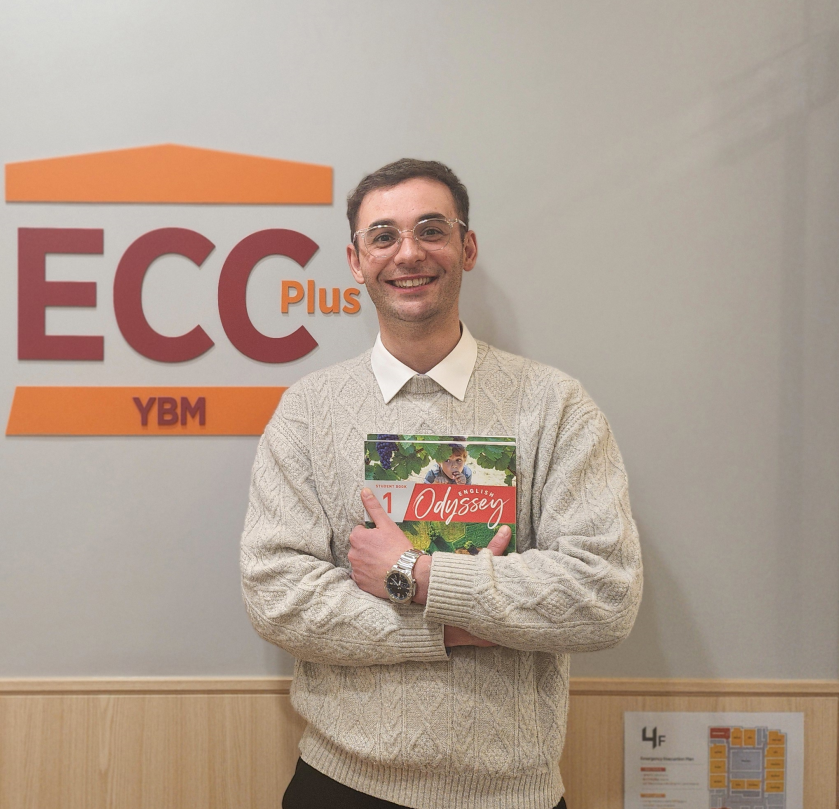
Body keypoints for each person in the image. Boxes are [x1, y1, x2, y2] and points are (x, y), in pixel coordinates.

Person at [240, 159, 643, 809]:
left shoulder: (555, 405)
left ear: (467, 247)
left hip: (514, 794)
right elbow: (277, 596)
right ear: (356, 261)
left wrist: (414, 574)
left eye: (431, 230)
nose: (408, 253)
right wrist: (449, 628)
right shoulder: (308, 411)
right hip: (341, 785)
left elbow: (605, 595)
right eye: (383, 236)